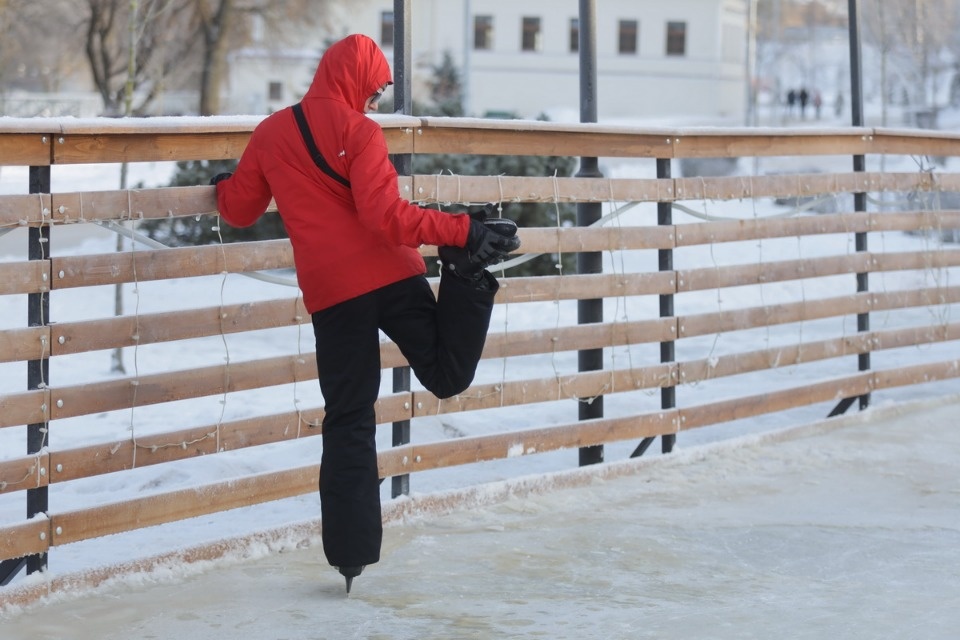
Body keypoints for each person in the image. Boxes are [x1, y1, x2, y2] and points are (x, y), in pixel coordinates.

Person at [211, 34, 520, 593]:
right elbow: (386, 218)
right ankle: (467, 273)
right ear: (354, 81)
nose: (374, 103)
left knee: (349, 420)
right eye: (374, 91)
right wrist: (462, 231)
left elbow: (239, 209)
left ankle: (350, 559)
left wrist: (223, 186)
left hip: (335, 297)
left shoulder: (270, 133)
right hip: (392, 276)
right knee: (448, 376)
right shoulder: (359, 132)